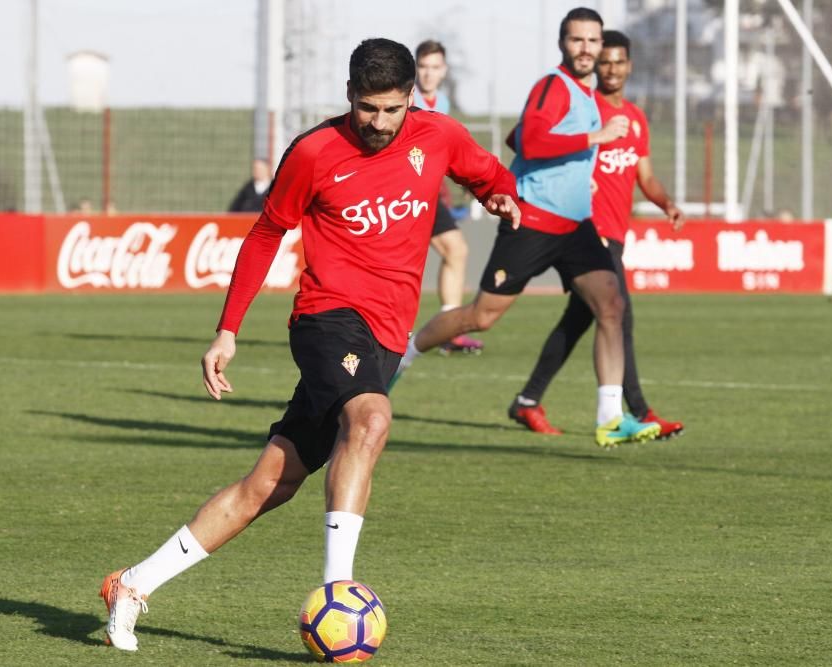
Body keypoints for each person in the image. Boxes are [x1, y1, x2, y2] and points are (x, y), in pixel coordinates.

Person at [99, 38, 520, 653]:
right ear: (349, 94)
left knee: (271, 482)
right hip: (327, 319)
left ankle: (133, 584)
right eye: (366, 109)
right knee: (372, 418)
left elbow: (487, 173)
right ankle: (338, 595)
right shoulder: (316, 151)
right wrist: (227, 329)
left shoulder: (440, 135)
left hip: (385, 333)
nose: (377, 124)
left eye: (390, 110)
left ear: (411, 99)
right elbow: (267, 232)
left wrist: (498, 195)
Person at [392, 8, 660, 447]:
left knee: (611, 305)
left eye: (593, 41)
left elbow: (520, 138)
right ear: (563, 44)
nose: (587, 49)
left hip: (575, 225)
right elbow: (530, 141)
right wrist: (592, 139)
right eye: (578, 40)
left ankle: (611, 418)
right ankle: (406, 352)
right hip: (532, 219)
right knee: (482, 316)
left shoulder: (583, 93)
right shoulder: (552, 86)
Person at [508, 30, 685, 439]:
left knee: (580, 320)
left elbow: (646, 176)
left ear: (629, 66)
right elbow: (526, 140)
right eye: (605, 61)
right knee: (619, 315)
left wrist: (667, 204)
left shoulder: (636, 118)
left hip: (616, 233)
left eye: (618, 61)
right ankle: (640, 410)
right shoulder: (583, 110)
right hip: (584, 230)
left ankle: (527, 401)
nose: (611, 69)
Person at [413, 39, 484, 354]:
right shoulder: (405, 97)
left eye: (434, 67)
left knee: (456, 250)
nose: (428, 74)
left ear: (444, 71)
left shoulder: (440, 103)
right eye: (423, 67)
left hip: (426, 195)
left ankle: (447, 328)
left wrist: (466, 176)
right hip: (401, 195)